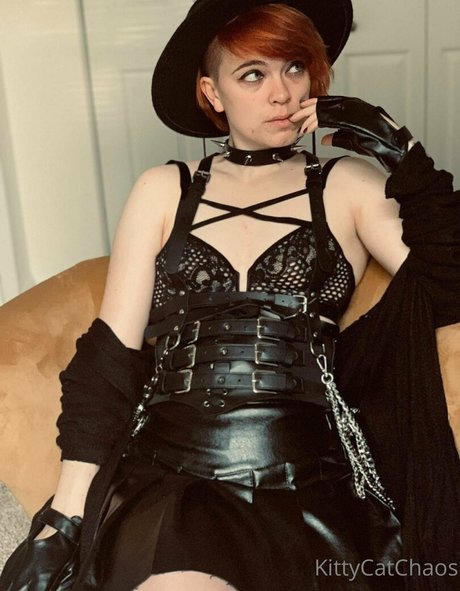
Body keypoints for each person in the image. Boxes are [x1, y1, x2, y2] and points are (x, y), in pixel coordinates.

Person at [1, 1, 459, 590]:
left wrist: (406, 161)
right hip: (171, 475)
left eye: (295, 67)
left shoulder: (347, 185)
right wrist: (64, 517)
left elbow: (449, 283)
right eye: (252, 74)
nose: (281, 93)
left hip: (307, 478)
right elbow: (108, 358)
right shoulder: (164, 189)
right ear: (212, 92)